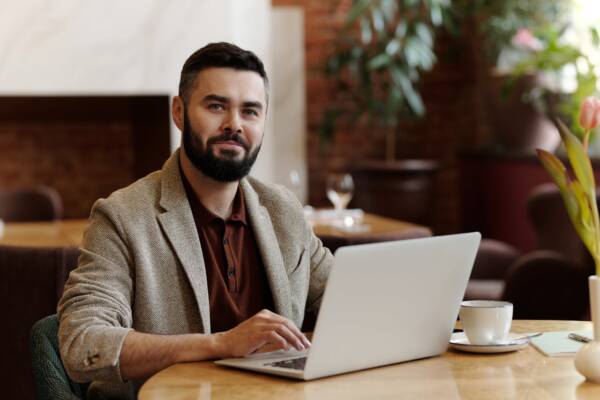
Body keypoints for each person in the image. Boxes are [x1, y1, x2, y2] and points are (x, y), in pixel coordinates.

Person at [58, 42, 333, 398]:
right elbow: (82, 344)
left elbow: (348, 300)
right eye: (216, 106)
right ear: (179, 111)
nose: (234, 124)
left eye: (250, 111)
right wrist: (219, 344)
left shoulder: (284, 211)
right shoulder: (122, 217)